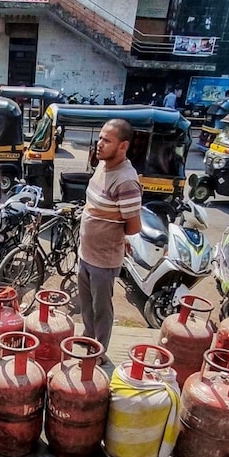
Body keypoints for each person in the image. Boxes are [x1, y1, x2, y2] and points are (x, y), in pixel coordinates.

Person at [78, 119, 142, 352]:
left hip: (104, 261)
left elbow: (133, 227)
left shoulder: (126, 180)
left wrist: (113, 236)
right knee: (86, 305)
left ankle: (99, 351)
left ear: (123, 146)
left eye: (107, 140)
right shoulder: (102, 165)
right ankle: (88, 337)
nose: (100, 144)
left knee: (101, 309)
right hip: (85, 253)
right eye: (100, 138)